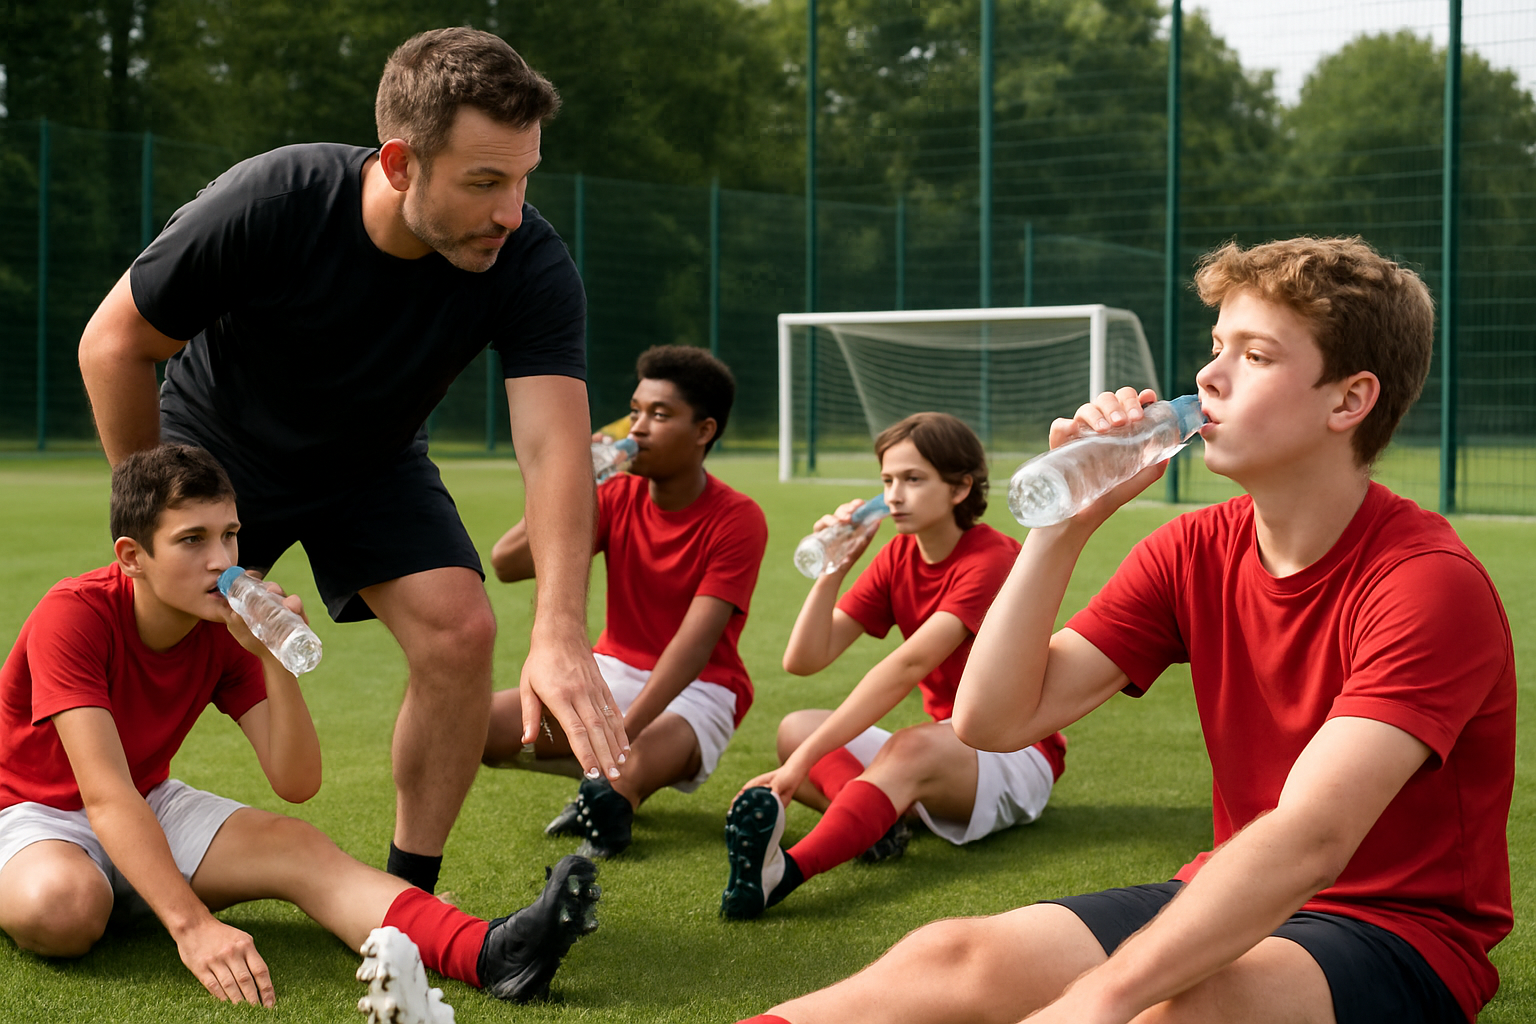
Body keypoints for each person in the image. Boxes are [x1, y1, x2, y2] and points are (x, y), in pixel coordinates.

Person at [732, 237, 1515, 1024]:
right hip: (1226, 888)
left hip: (1396, 933)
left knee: (1173, 1009)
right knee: (951, 955)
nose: (1209, 376)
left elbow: (1312, 839)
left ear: (1349, 401)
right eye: (1216, 348)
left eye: (1255, 355)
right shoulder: (1192, 549)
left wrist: (1101, 999)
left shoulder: (1426, 584)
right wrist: (1062, 527)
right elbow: (992, 721)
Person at [75, 27, 627, 894]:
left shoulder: (528, 261)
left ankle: (409, 896)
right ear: (403, 164)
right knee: (146, 643)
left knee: (462, 630)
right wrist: (160, 519)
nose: (511, 211)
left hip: (372, 460)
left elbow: (556, 444)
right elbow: (113, 344)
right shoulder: (272, 201)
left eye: (524, 178)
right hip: (219, 452)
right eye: (484, 181)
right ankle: (64, 839)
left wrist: (559, 631)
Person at [0, 444, 601, 1009]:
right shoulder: (74, 614)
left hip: (144, 801)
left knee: (299, 846)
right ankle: (120, 893)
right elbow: (103, 794)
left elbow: (297, 780)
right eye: (191, 540)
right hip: (31, 810)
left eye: (230, 535)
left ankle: (490, 951)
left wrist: (271, 659)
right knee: (64, 908)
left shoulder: (224, 625)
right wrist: (193, 926)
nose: (221, 561)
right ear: (133, 556)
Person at [720, 412, 1067, 920]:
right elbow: (804, 659)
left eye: (912, 479)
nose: (894, 495)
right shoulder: (898, 555)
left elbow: (909, 665)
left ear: (959, 488)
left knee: (893, 746)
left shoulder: (992, 558)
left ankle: (783, 874)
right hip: (945, 745)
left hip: (1015, 750)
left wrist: (798, 769)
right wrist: (832, 571)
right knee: (797, 727)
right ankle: (873, 823)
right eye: (887, 480)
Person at [483, 345, 767, 859]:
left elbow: (693, 647)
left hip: (698, 689)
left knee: (622, 773)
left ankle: (609, 788)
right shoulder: (614, 496)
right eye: (634, 411)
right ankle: (601, 780)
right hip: (611, 670)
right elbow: (506, 562)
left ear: (704, 431)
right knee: (478, 727)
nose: (636, 429)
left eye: (660, 415)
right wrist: (567, 486)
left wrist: (617, 740)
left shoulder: (738, 518)